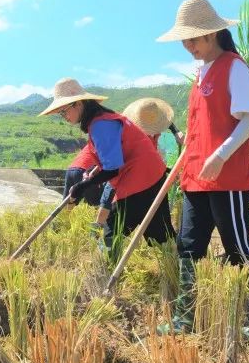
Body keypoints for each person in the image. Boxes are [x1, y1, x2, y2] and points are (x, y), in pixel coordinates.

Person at [157, 0, 249, 333]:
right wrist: (192, 138)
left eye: (192, 38)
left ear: (211, 34)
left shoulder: (235, 67)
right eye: (184, 40)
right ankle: (186, 317)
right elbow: (210, 121)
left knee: (238, 246)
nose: (188, 46)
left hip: (226, 177)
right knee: (188, 246)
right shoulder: (201, 73)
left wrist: (220, 155)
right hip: (195, 177)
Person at [40, 78, 175, 246]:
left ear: (78, 104)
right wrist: (98, 169)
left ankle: (106, 270)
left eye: (63, 111)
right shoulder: (104, 119)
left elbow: (113, 169)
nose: (64, 117)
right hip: (153, 174)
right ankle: (179, 263)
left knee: (112, 233)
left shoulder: (100, 125)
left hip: (138, 179)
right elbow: (115, 154)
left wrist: (81, 186)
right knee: (160, 235)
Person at [92, 98, 183, 242]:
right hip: (126, 176)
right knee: (111, 212)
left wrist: (176, 132)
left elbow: (151, 160)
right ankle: (98, 232)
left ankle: (167, 248)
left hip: (150, 178)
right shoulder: (130, 132)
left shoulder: (154, 132)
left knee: (157, 225)